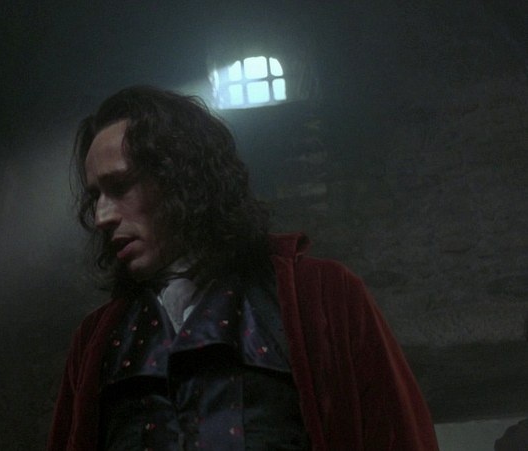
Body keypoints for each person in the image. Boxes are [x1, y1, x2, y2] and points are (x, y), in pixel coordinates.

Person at [48, 86, 438, 450]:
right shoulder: (96, 340)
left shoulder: (320, 296)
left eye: (121, 186)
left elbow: (396, 436)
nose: (101, 216)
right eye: (96, 196)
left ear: (181, 177)